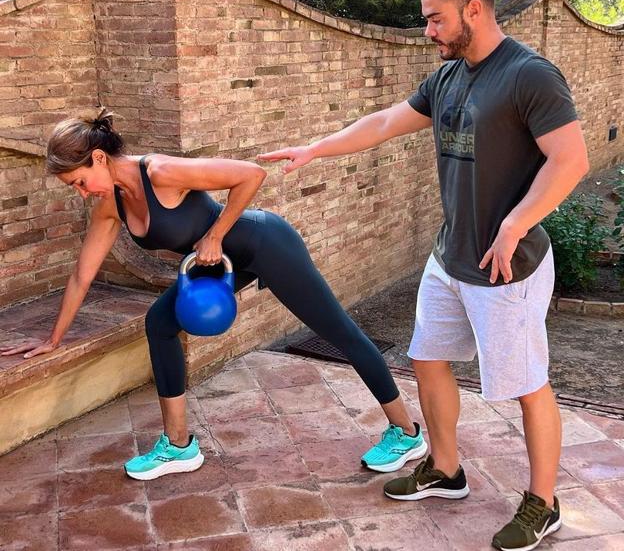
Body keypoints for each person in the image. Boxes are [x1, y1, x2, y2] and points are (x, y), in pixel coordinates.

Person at [258, 0, 589, 551]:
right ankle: (445, 467)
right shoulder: (448, 77)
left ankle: (543, 503)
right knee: (428, 359)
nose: (428, 31)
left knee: (526, 385)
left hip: (506, 267)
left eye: (435, 20)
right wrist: (315, 149)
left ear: (474, 9)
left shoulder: (529, 75)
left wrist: (515, 224)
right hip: (450, 256)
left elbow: (571, 162)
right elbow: (385, 120)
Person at [0, 108, 427, 480]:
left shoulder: (161, 172)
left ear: (98, 158)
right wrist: (54, 338)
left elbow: (250, 175)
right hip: (220, 264)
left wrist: (215, 235)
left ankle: (407, 434)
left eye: (78, 181)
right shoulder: (111, 204)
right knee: (159, 324)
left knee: (339, 332)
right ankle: (179, 445)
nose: (81, 191)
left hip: (266, 244)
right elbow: (82, 275)